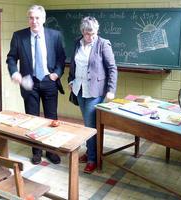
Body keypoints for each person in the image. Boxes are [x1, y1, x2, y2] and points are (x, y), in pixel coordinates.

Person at [6, 5, 66, 165]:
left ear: (44, 19)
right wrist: (14, 73)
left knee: (51, 118)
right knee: (32, 118)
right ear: (28, 19)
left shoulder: (55, 35)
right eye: (31, 18)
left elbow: (62, 58)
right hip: (29, 83)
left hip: (49, 81)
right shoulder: (19, 36)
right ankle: (36, 151)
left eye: (37, 18)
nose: (34, 21)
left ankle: (51, 151)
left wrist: (56, 74)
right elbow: (11, 58)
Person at [68, 16, 117, 173]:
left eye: (94, 33)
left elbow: (112, 68)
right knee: (88, 124)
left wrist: (111, 90)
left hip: (95, 91)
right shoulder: (77, 43)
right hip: (79, 88)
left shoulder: (103, 44)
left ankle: (92, 160)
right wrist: (70, 81)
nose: (91, 36)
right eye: (88, 33)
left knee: (89, 126)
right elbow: (73, 64)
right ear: (82, 31)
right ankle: (91, 152)